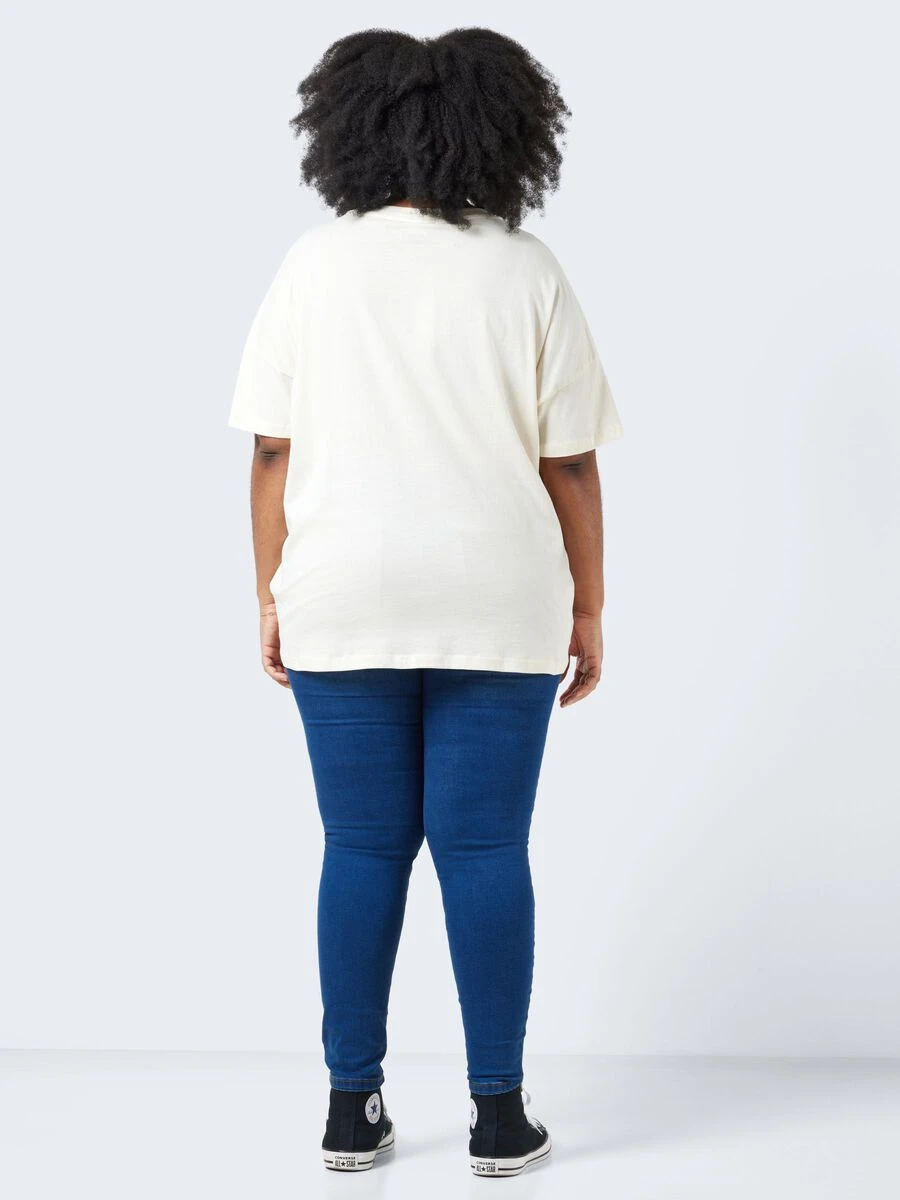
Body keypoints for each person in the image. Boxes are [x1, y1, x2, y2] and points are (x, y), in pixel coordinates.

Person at [228, 26, 623, 1178]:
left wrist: (271, 595)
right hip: (499, 592)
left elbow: (271, 451)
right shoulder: (526, 268)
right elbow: (569, 463)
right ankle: (498, 1118)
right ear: (504, 132)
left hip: (342, 589)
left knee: (361, 846)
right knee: (485, 847)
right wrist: (589, 608)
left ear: (348, 131)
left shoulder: (314, 265)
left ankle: (351, 1110)